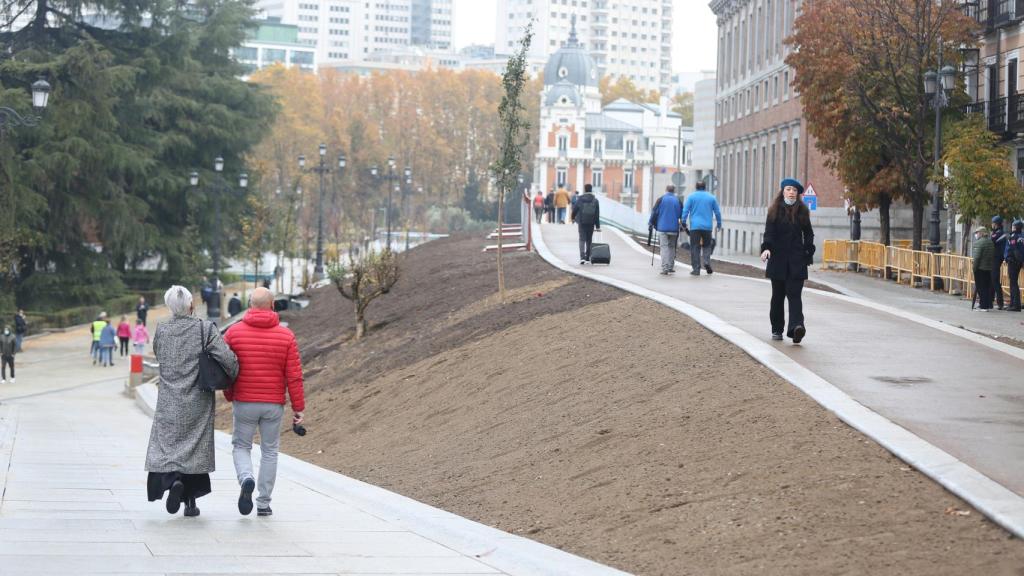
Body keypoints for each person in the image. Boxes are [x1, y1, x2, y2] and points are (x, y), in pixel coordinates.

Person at [146, 285, 238, 518]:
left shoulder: (163, 330)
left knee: (168, 446)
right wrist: (233, 371)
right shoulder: (204, 328)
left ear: (169, 306)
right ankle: (190, 502)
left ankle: (173, 481)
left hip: (168, 398)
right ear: (191, 305)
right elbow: (225, 357)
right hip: (198, 398)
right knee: (194, 448)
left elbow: (158, 354)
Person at [224, 287, 305, 517]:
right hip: (273, 404)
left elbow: (226, 367)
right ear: (272, 305)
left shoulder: (233, 333)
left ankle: (246, 478)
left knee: (241, 446)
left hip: (244, 401)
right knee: (270, 451)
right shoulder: (286, 336)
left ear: (250, 305)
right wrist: (298, 408)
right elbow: (294, 376)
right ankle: (263, 503)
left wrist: (230, 394)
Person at [760, 178, 815, 343]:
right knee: (777, 297)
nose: (791, 192)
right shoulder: (774, 211)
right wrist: (766, 249)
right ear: (783, 191)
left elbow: (809, 233)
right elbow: (769, 233)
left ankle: (797, 328)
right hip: (778, 260)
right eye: (788, 189)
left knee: (794, 295)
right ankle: (777, 329)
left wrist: (808, 249)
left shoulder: (802, 211)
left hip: (797, 261)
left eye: (794, 190)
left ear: (797, 194)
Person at [681, 180, 723, 276]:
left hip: (695, 227)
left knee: (695, 247)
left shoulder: (691, 197)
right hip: (707, 227)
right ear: (705, 187)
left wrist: (683, 222)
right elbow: (717, 212)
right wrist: (719, 224)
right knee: (707, 246)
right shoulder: (711, 197)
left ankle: (696, 269)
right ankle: (707, 262)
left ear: (696, 187)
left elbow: (685, 210)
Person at [648, 185, 684, 275]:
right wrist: (682, 224)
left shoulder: (660, 199)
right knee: (672, 247)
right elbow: (681, 214)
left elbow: (654, 212)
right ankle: (671, 267)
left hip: (662, 228)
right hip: (674, 229)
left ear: (666, 190)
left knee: (664, 247)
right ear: (674, 191)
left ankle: (665, 268)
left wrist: (651, 222)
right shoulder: (678, 200)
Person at [571, 184, 601, 264]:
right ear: (591, 190)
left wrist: (573, 217)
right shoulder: (595, 200)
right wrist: (597, 226)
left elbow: (575, 209)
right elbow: (597, 214)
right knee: (589, 240)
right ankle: (588, 258)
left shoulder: (580, 199)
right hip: (591, 222)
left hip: (581, 222)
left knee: (582, 239)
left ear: (585, 189)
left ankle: (582, 258)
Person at [973, 226, 996, 311]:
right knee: (986, 287)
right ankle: (986, 304)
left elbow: (977, 258)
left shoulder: (979, 243)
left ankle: (983, 306)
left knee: (981, 287)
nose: (976, 234)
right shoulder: (990, 242)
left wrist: (974, 268)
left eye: (977, 232)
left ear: (981, 233)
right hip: (988, 268)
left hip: (980, 268)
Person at [1006, 219, 1024, 312]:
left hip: (1013, 262)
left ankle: (1015, 305)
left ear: (1016, 227)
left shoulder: (1014, 236)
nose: (1012, 227)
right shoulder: (1022, 236)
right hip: (1019, 262)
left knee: (1013, 283)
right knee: (1014, 283)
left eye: (1013, 226)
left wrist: (1010, 259)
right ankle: (1013, 303)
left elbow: (1013, 249)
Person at [991, 216, 1008, 310]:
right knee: (992, 280)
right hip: (995, 258)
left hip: (996, 259)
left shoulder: (999, 233)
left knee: (995, 280)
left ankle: (1000, 303)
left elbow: (991, 241)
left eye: (993, 223)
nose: (992, 225)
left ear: (996, 224)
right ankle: (990, 300)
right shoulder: (997, 232)